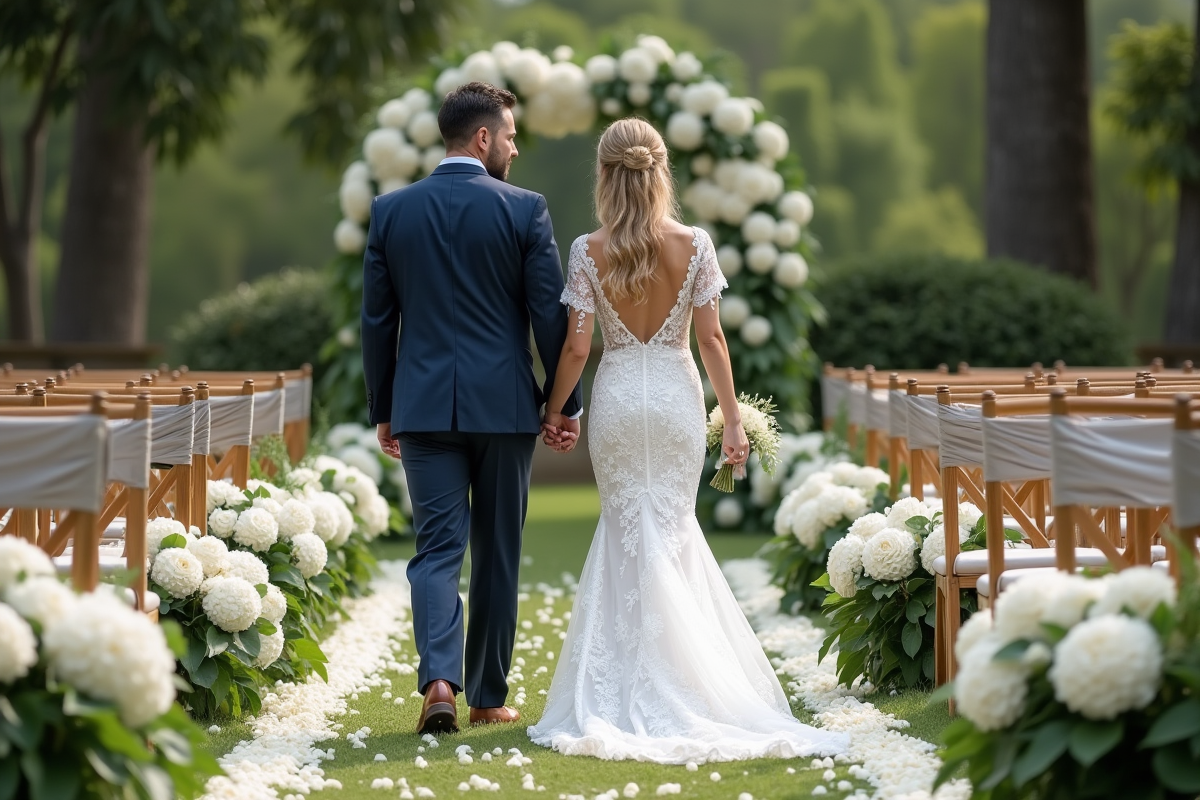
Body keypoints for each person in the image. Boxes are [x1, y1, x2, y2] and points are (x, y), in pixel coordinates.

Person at [528, 118, 847, 763]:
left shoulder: (588, 251)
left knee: (624, 525)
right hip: (676, 400)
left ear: (604, 175)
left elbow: (578, 348)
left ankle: (628, 682)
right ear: (660, 172)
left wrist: (554, 409)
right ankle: (692, 681)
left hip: (619, 400)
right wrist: (732, 419)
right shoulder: (695, 244)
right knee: (673, 527)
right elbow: (711, 340)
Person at [361, 81, 583, 735]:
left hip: (422, 407)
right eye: (510, 137)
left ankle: (438, 681)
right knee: (497, 550)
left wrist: (384, 406)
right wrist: (563, 405)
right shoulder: (526, 209)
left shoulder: (390, 211)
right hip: (505, 408)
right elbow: (550, 315)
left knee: (435, 549)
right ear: (483, 138)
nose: (515, 148)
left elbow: (377, 323)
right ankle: (487, 696)